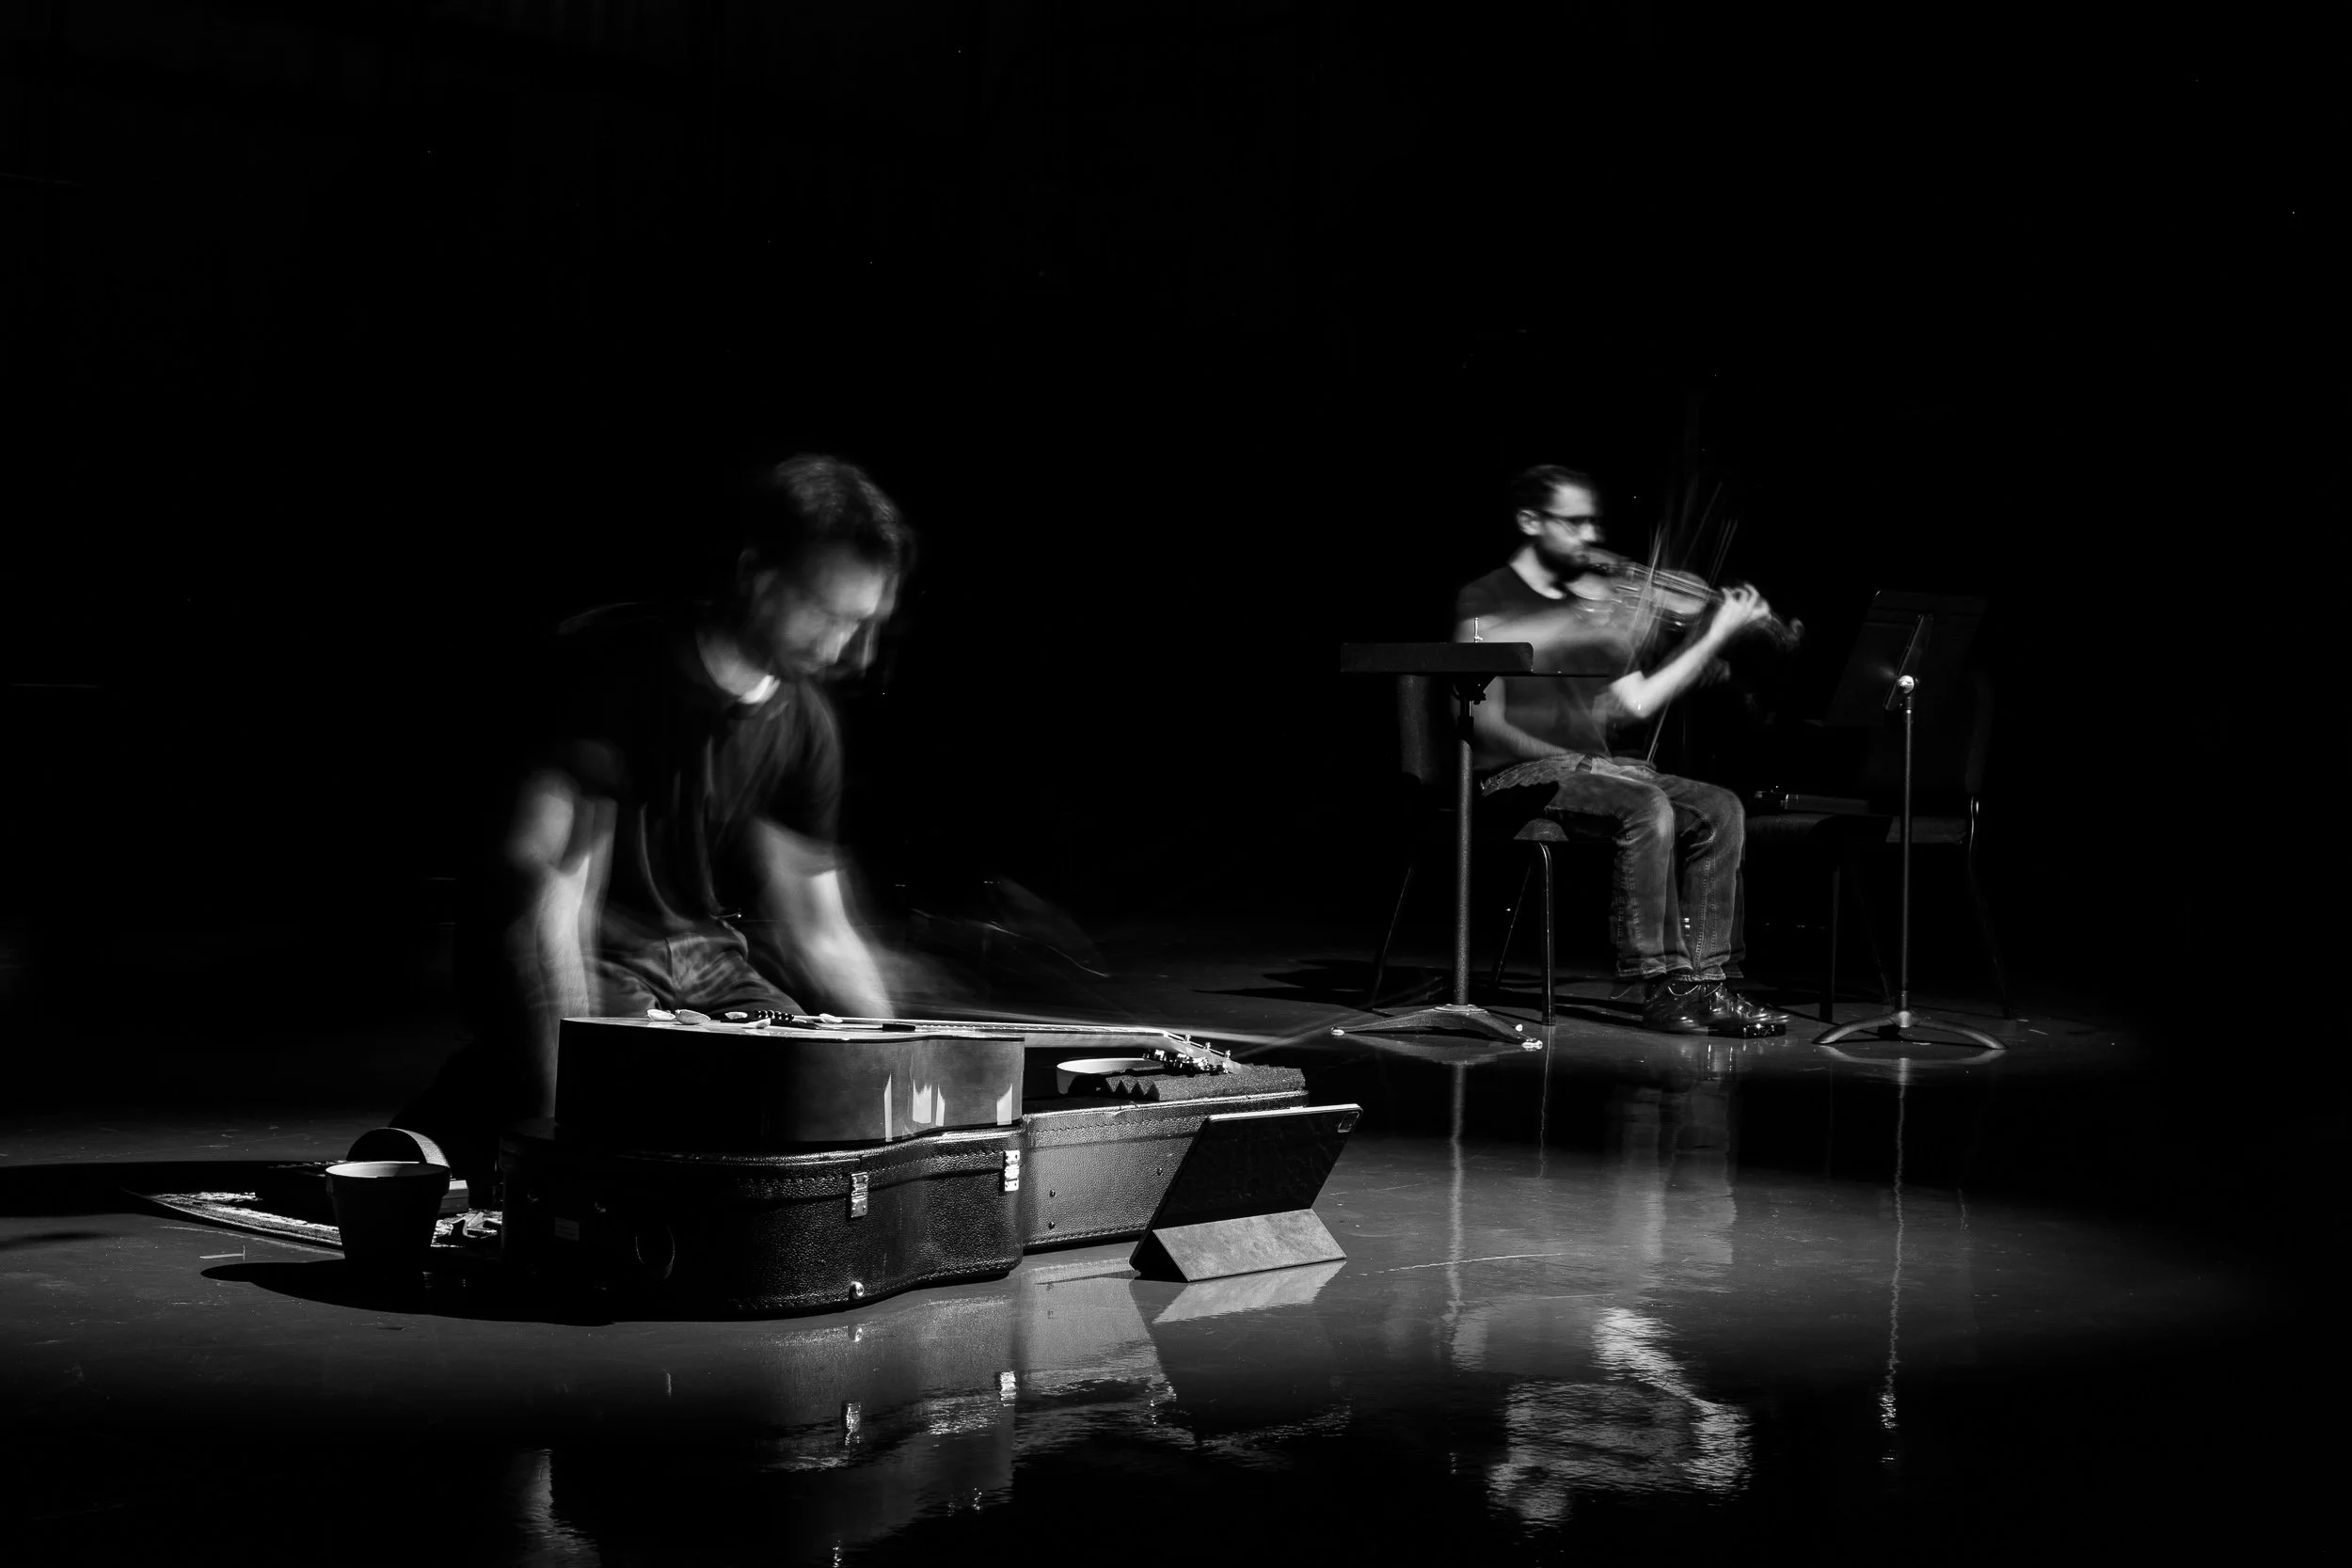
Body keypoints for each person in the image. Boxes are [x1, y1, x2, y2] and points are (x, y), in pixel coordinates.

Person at [396, 454, 910, 1178]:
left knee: (800, 1078)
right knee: (653, 1083)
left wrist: (903, 1077)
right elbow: (545, 892)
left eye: (861, 623)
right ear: (757, 577)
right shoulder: (616, 666)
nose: (845, 650)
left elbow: (824, 933)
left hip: (704, 960)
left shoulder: (807, 723)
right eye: (827, 615)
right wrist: (551, 1131)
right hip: (592, 947)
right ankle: (462, 1124)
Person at [1452, 464, 1788, 1036]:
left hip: (1593, 771)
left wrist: (1714, 636)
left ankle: (1706, 984)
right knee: (1645, 805)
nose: (1590, 537)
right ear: (1530, 520)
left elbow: (1637, 703)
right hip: (1514, 776)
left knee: (1720, 807)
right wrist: (1580, 761)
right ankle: (1660, 983)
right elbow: (1486, 728)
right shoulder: (1487, 599)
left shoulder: (1596, 607)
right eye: (1574, 522)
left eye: (1593, 523)